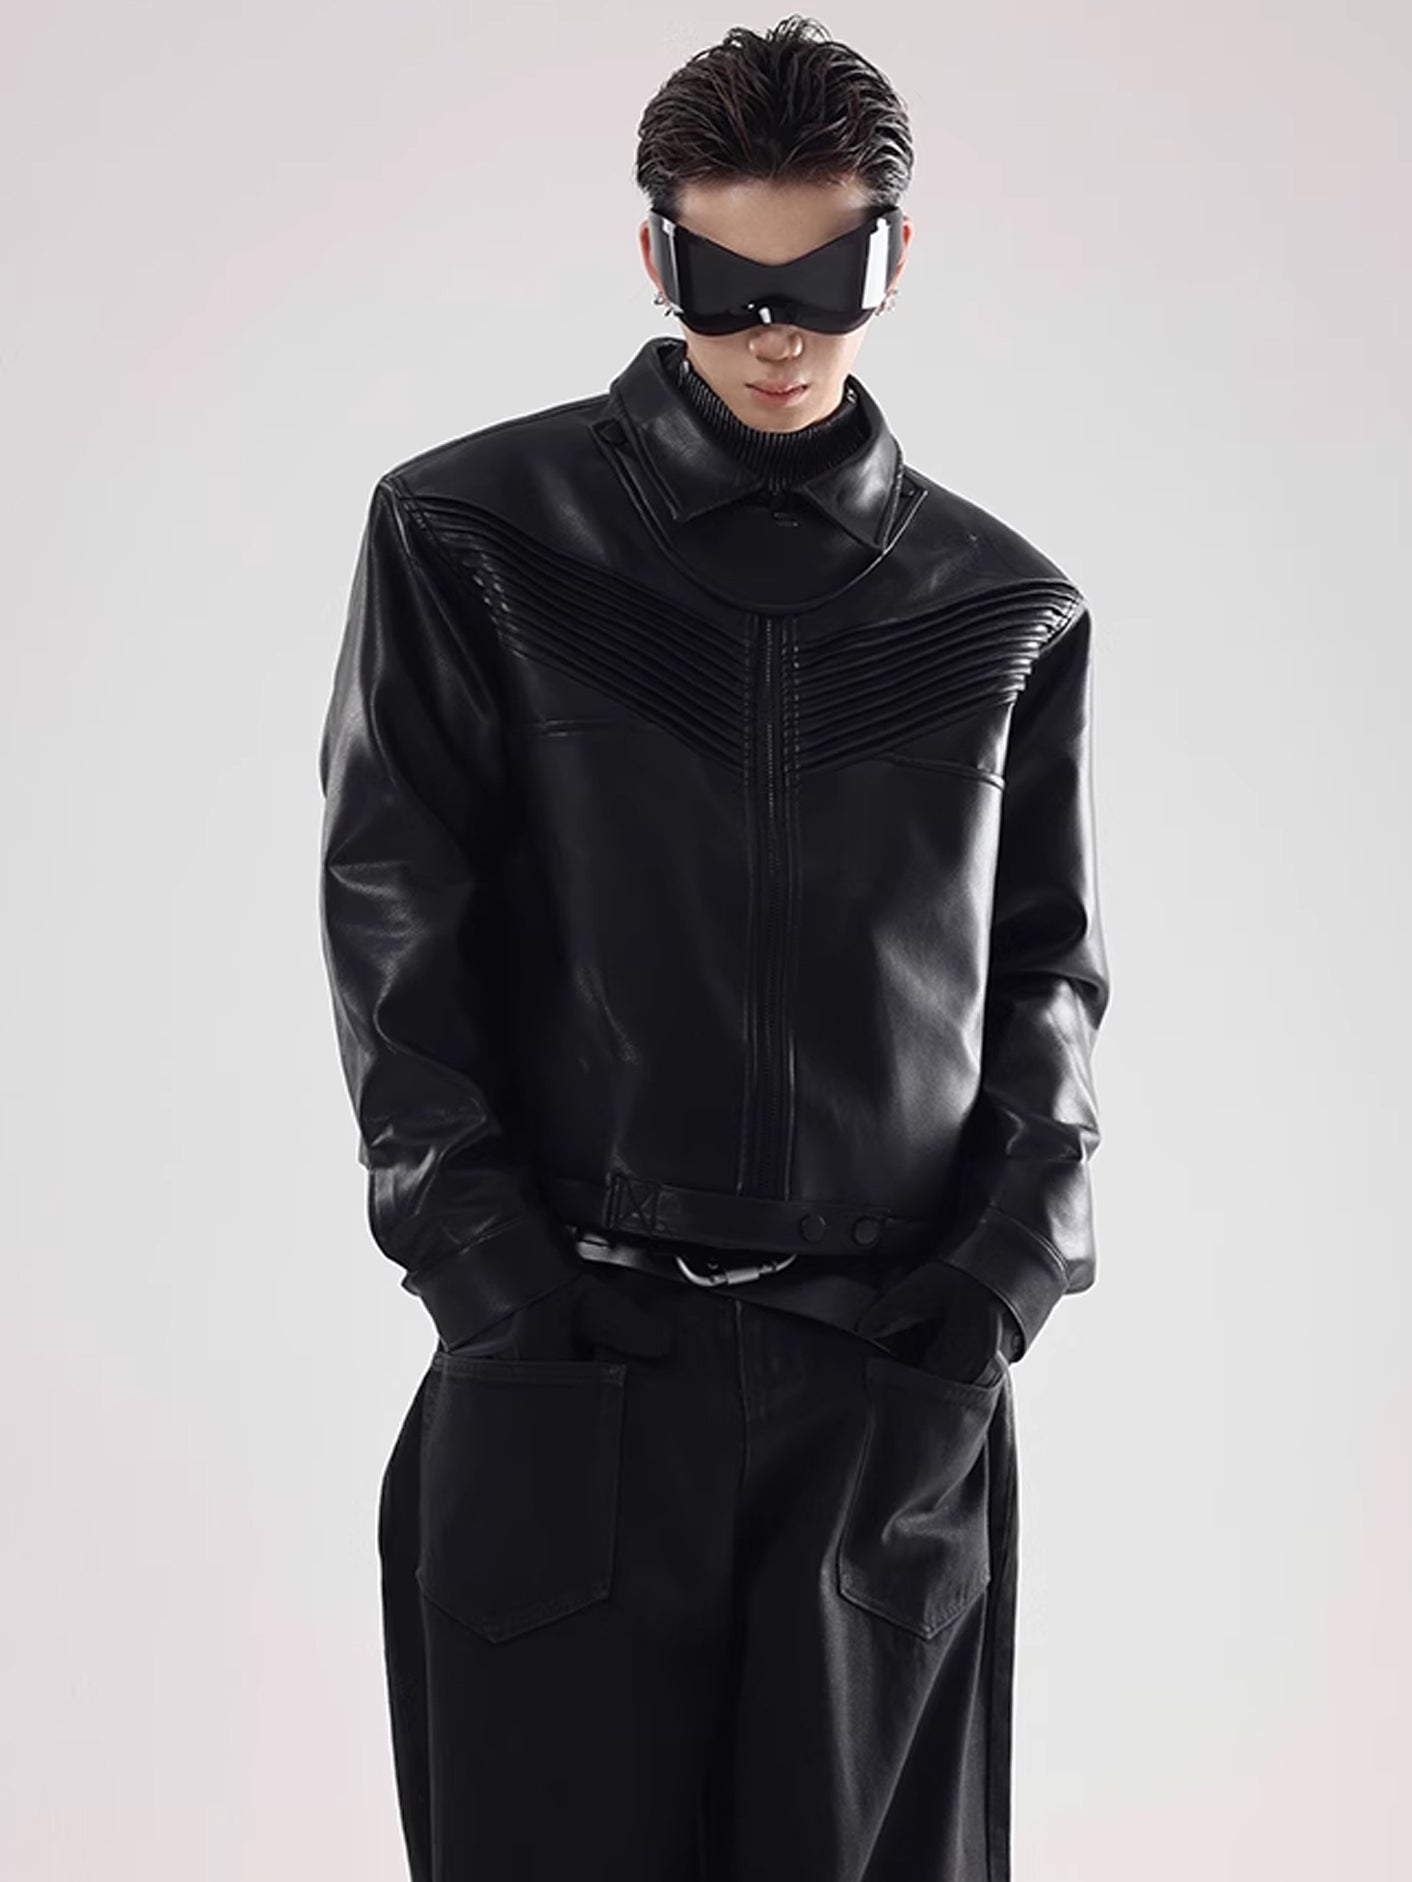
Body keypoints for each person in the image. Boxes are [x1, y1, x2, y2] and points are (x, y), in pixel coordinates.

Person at [316, 16, 1110, 1880]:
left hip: (881, 1386)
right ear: (652, 252)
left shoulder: (1006, 608)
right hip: (568, 1364)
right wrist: (497, 1290)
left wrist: (991, 1301)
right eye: (726, 280)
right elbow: (393, 924)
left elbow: (1049, 983)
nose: (776, 332)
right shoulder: (472, 535)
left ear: (894, 257)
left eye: (822, 280)